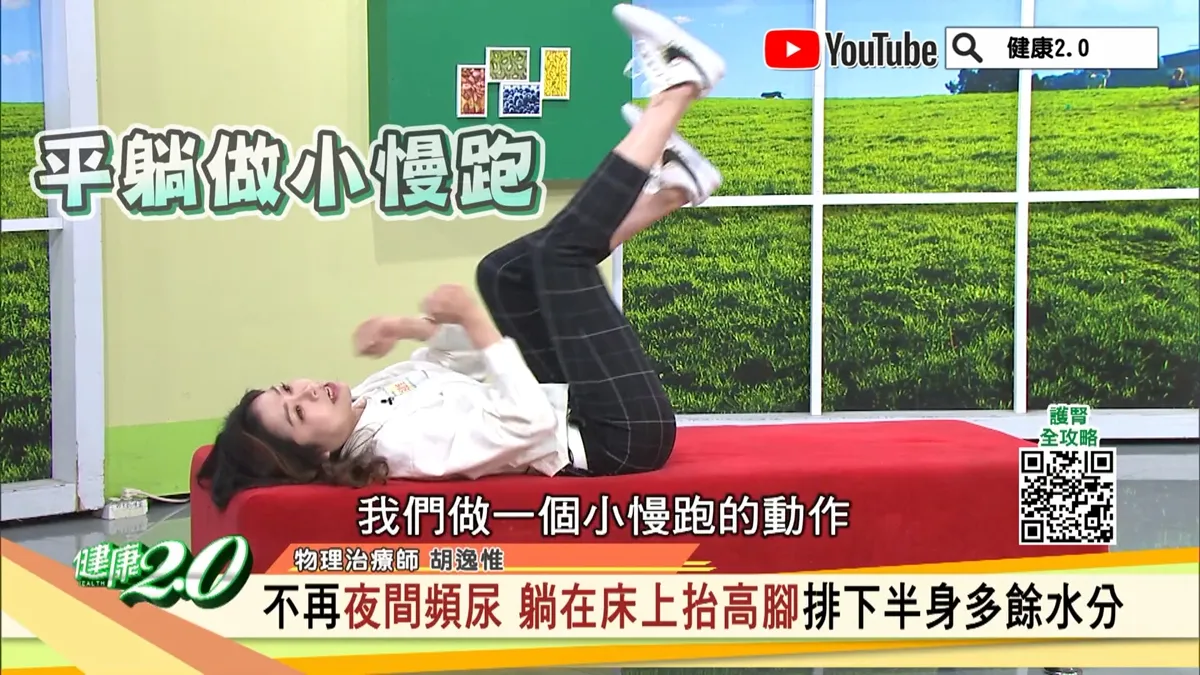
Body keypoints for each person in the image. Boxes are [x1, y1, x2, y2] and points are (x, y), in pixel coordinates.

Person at [196, 3, 727, 510]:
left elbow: (459, 361)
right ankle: (678, 87)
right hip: (617, 437)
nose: (307, 392)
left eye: (288, 388)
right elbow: (530, 426)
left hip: (572, 405)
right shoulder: (400, 448)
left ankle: (673, 189)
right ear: (314, 457)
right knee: (558, 258)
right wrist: (472, 319)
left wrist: (406, 326)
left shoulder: (365, 398)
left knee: (501, 273)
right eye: (297, 413)